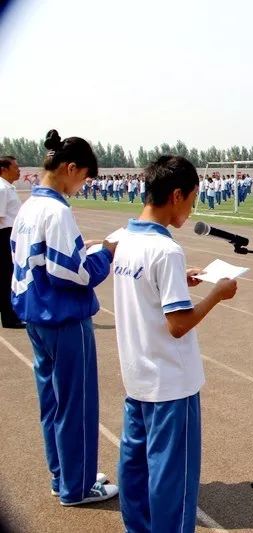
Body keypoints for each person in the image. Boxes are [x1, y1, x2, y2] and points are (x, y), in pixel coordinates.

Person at [112, 155, 237, 532]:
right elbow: (178, 325)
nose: (192, 208)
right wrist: (218, 294)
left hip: (137, 377)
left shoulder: (125, 239)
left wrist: (179, 279)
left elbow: (143, 289)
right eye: (193, 199)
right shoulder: (166, 250)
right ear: (177, 195)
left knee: (135, 471)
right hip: (170, 385)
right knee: (173, 483)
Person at [11, 130, 119, 505]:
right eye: (84, 177)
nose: (83, 185)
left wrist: (83, 248)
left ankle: (64, 475)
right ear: (71, 168)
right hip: (63, 318)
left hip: (37, 315)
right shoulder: (56, 210)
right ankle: (78, 486)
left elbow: (38, 259)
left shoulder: (28, 207)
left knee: (52, 402)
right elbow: (73, 272)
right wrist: (105, 252)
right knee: (77, 404)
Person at [0, 155, 25, 328]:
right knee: (5, 277)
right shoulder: (1, 189)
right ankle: (9, 318)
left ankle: (11, 315)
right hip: (3, 235)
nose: (19, 170)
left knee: (8, 276)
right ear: (4, 169)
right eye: (15, 167)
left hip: (9, 234)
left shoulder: (8, 188)